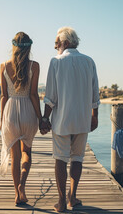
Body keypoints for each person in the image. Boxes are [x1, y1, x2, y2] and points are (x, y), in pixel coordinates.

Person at [40, 27, 100, 212]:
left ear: (65, 43)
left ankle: (61, 202)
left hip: (62, 120)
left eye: (57, 44)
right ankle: (72, 198)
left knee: (60, 159)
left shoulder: (56, 62)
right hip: (82, 120)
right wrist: (94, 116)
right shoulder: (89, 62)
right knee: (77, 159)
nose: (56, 47)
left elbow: (51, 96)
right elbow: (95, 93)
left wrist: (44, 118)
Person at [0, 32, 42, 206]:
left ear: (13, 46)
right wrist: (41, 117)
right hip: (28, 111)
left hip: (10, 112)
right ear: (29, 47)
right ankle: (22, 184)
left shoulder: (3, 66)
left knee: (15, 155)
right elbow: (33, 94)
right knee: (27, 153)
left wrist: (2, 120)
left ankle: (17, 194)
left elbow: (3, 95)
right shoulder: (35, 66)